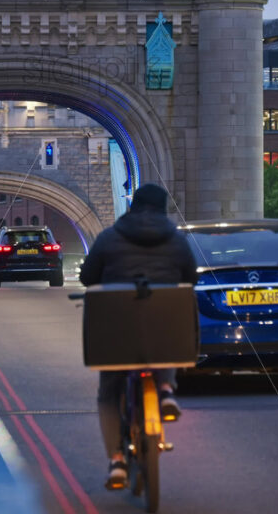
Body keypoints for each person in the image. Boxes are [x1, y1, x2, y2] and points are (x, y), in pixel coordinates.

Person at [79, 183, 198, 491]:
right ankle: (167, 389)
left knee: (108, 392)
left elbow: (88, 277)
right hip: (161, 325)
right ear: (162, 208)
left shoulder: (108, 238)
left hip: (117, 326)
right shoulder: (176, 239)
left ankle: (117, 461)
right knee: (167, 330)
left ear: (133, 206)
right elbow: (191, 278)